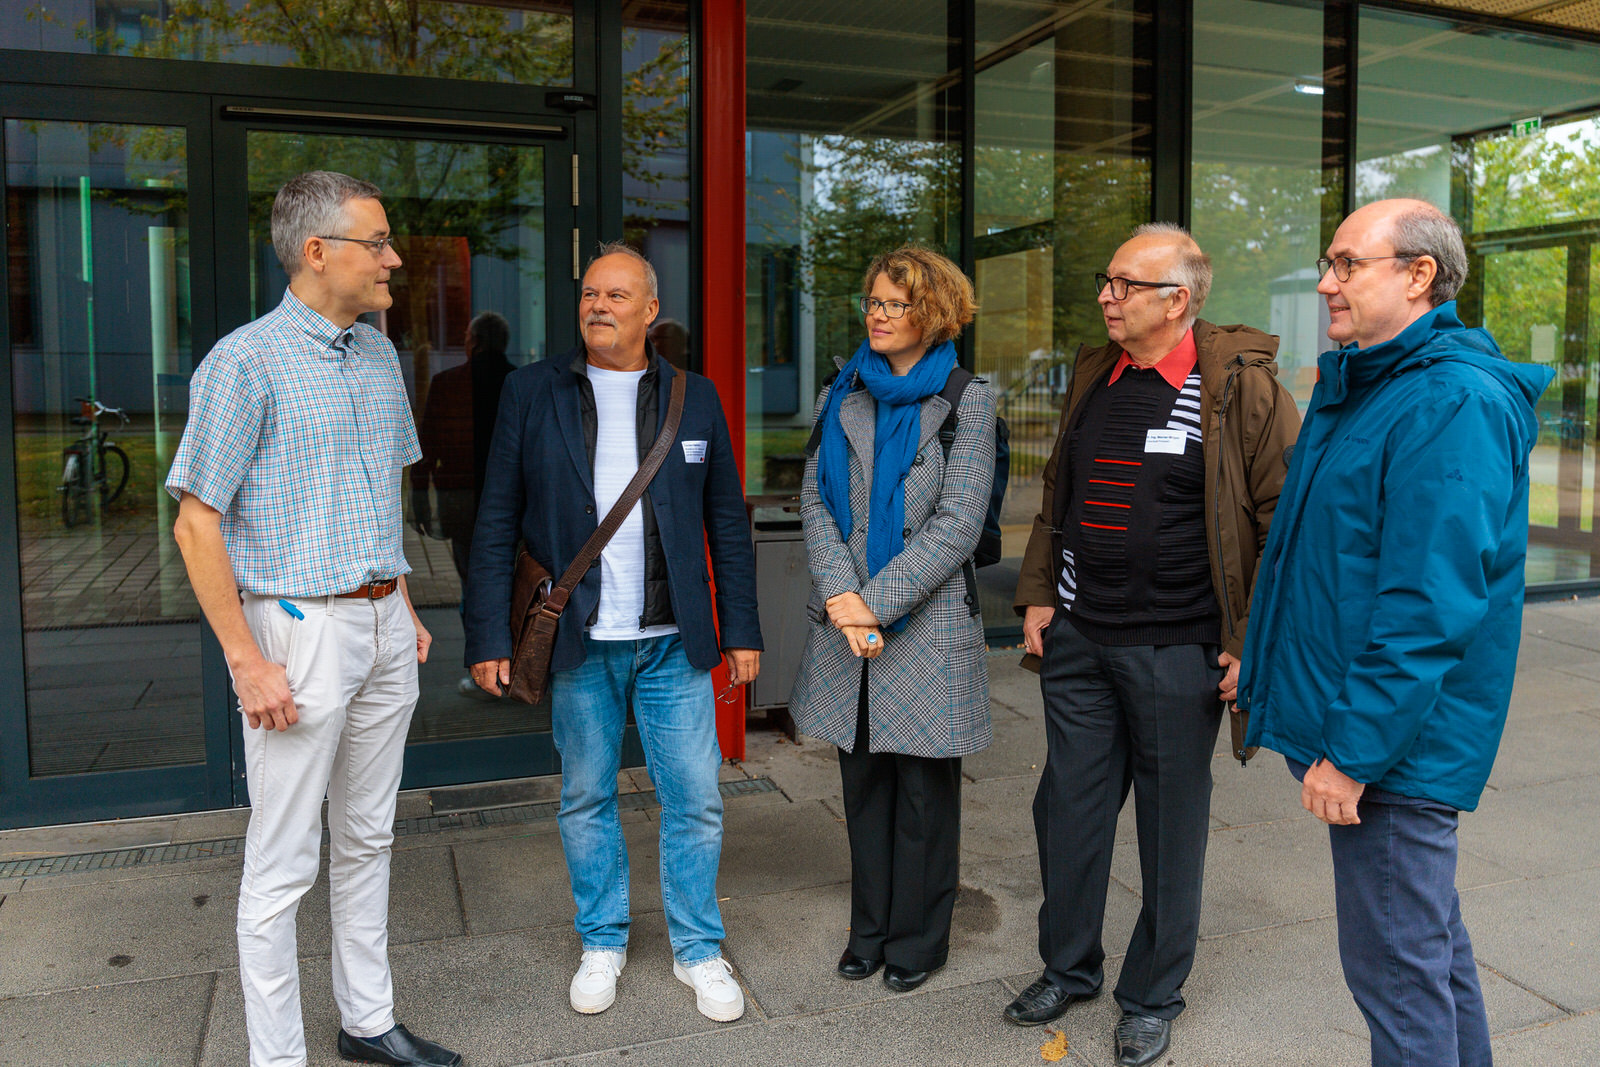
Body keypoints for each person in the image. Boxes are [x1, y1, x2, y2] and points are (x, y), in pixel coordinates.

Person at [1237, 199, 1552, 1067]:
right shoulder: (1371, 382)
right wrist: (1258, 664)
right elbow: (1327, 560)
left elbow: (1427, 603)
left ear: (1420, 276)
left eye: (1347, 264)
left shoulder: (1449, 399)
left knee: (1398, 977)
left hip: (1395, 748)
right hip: (1378, 728)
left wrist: (1354, 752)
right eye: (1327, 264)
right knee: (1427, 954)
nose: (1327, 283)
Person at [166, 172, 460, 1067]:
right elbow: (196, 519)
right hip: (297, 631)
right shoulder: (242, 362)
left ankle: (367, 1019)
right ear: (317, 250)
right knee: (284, 857)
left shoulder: (375, 355)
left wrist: (402, 601)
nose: (395, 259)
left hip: (380, 626)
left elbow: (382, 497)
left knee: (370, 835)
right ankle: (278, 1057)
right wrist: (246, 660)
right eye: (377, 242)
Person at [1008, 223, 1300, 1066]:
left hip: (1180, 650)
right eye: (1108, 281)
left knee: (1172, 826)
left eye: (1124, 284)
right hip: (1079, 639)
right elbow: (1058, 487)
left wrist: (1252, 639)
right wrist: (1036, 592)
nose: (1107, 295)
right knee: (1066, 808)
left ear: (1177, 300)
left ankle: (1152, 992)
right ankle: (1068, 967)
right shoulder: (1097, 372)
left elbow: (1282, 520)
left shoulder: (1240, 389)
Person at [463, 242, 762, 1023]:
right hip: (581, 641)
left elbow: (726, 520)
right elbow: (494, 516)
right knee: (585, 794)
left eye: (617, 295)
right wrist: (487, 633)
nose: (599, 305)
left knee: (694, 798)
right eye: (591, 293)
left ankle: (699, 948)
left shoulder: (694, 398)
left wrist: (743, 627)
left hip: (674, 640)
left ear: (649, 311)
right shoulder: (533, 392)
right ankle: (602, 939)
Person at [789, 245, 996, 995]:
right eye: (872, 302)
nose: (876, 315)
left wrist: (874, 599)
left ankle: (919, 937)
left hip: (927, 625)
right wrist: (845, 595)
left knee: (923, 797)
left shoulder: (967, 398)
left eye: (893, 304)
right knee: (863, 786)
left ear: (932, 312)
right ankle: (867, 930)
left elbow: (959, 522)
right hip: (849, 625)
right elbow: (814, 500)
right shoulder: (841, 390)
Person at [411, 310, 515, 584]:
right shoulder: (521, 382)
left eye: (467, 338)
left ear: (476, 341)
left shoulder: (447, 383)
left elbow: (427, 449)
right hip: (514, 500)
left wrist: (420, 502)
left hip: (459, 498)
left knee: (470, 579)